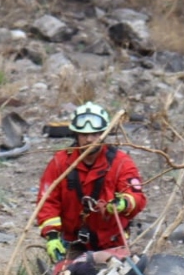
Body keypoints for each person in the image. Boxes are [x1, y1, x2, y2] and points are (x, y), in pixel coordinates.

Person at [36, 102, 147, 265]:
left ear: (103, 133)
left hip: (112, 244)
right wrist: (52, 236)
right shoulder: (60, 163)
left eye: (95, 134)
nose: (89, 139)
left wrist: (123, 202)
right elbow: (47, 202)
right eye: (84, 134)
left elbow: (137, 197)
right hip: (72, 244)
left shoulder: (120, 163)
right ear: (76, 135)